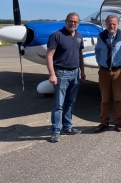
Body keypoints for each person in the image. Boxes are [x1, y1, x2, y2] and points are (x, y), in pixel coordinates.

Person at [46, 12, 86, 143]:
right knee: (58, 104)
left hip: (75, 73)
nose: (73, 23)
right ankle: (55, 131)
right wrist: (52, 74)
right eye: (71, 21)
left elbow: (80, 55)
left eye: (75, 21)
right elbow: (49, 55)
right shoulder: (56, 35)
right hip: (61, 73)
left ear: (78, 23)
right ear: (66, 21)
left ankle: (67, 127)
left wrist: (83, 71)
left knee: (70, 102)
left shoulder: (79, 36)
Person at [94, 15, 121, 133]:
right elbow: (97, 49)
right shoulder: (101, 37)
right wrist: (98, 61)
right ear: (106, 24)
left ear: (117, 24)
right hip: (104, 71)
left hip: (118, 72)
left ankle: (118, 122)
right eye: (109, 24)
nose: (111, 26)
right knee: (104, 99)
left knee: (118, 99)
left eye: (114, 24)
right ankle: (104, 122)